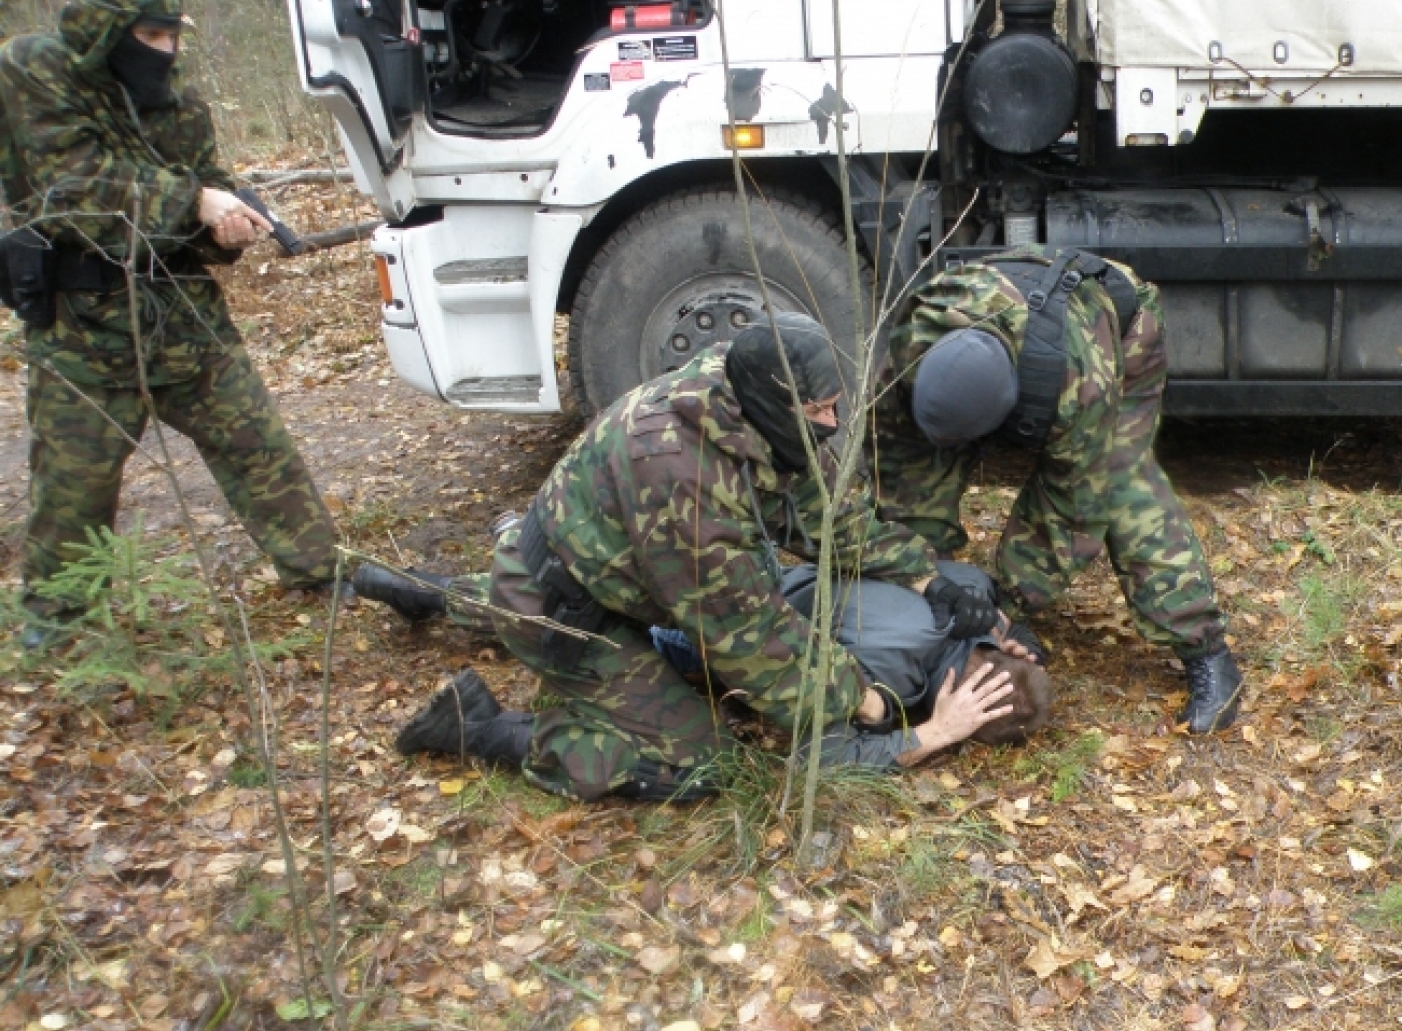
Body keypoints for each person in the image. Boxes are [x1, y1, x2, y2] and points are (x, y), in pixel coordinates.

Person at [358, 314, 1028, 802]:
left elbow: (829, 515)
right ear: (779, 402)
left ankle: (433, 593)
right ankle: (481, 726)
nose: (833, 420)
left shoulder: (739, 394)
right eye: (820, 409)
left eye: (834, 404)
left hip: (595, 568)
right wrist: (875, 708)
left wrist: (927, 578)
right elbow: (754, 644)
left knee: (564, 602)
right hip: (574, 609)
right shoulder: (690, 484)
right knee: (698, 764)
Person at [0, 0, 338, 643]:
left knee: (263, 454)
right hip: (81, 332)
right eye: (148, 35)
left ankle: (321, 574)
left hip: (184, 317)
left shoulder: (178, 103)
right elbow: (69, 191)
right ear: (105, 33)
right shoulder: (34, 69)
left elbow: (208, 193)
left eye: (171, 35)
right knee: (74, 491)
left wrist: (226, 232)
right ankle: (58, 624)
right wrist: (194, 201)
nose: (165, 51)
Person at [872, 245, 1243, 732]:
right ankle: (935, 621)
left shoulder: (1076, 386)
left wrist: (1003, 609)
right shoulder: (912, 349)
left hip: (1116, 331)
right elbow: (897, 465)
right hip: (1013, 314)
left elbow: (1068, 514)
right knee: (911, 482)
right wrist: (931, 581)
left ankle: (1206, 650)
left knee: (1125, 486)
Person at [650, 558, 1053, 746]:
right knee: (667, 645)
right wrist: (934, 733)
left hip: (765, 570)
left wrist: (1021, 639)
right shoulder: (888, 670)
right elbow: (830, 751)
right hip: (728, 622)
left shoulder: (972, 596)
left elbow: (1000, 617)